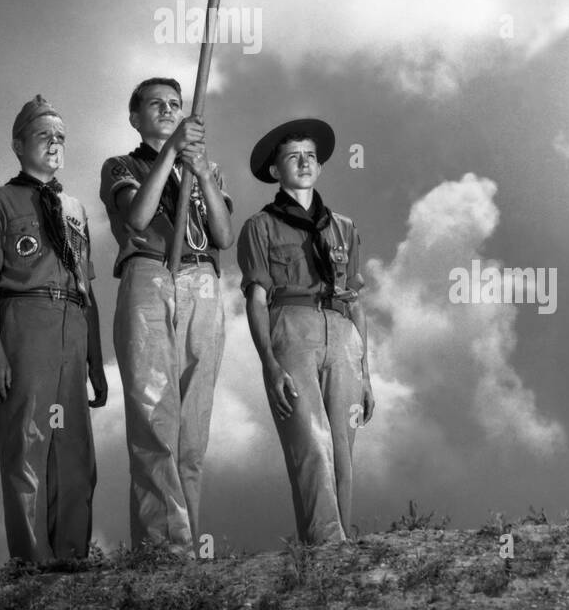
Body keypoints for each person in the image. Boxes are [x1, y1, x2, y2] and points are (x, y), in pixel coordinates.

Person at [0, 95, 107, 565]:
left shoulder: (75, 208)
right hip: (25, 320)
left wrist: (96, 359)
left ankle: (72, 554)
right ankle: (32, 560)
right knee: (28, 442)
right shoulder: (0, 201)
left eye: (61, 137)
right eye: (43, 135)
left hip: (72, 323)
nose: (54, 144)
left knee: (73, 451)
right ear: (18, 144)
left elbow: (87, 286)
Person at [100, 78, 233, 553]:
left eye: (174, 105)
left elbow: (222, 234)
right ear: (135, 117)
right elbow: (136, 218)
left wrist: (197, 170)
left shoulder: (206, 168)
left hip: (202, 280)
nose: (167, 109)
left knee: (193, 428)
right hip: (150, 275)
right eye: (155, 104)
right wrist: (170, 155)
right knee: (155, 415)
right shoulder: (121, 164)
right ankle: (161, 547)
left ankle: (189, 543)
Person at [237, 118, 374, 545]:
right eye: (293, 156)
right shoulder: (259, 226)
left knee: (342, 450)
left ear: (320, 167)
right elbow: (256, 299)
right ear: (275, 170)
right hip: (291, 326)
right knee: (311, 444)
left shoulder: (344, 228)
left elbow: (355, 300)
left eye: (311, 156)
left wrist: (366, 370)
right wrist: (270, 365)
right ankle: (324, 547)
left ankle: (341, 545)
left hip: (342, 331)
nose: (304, 162)